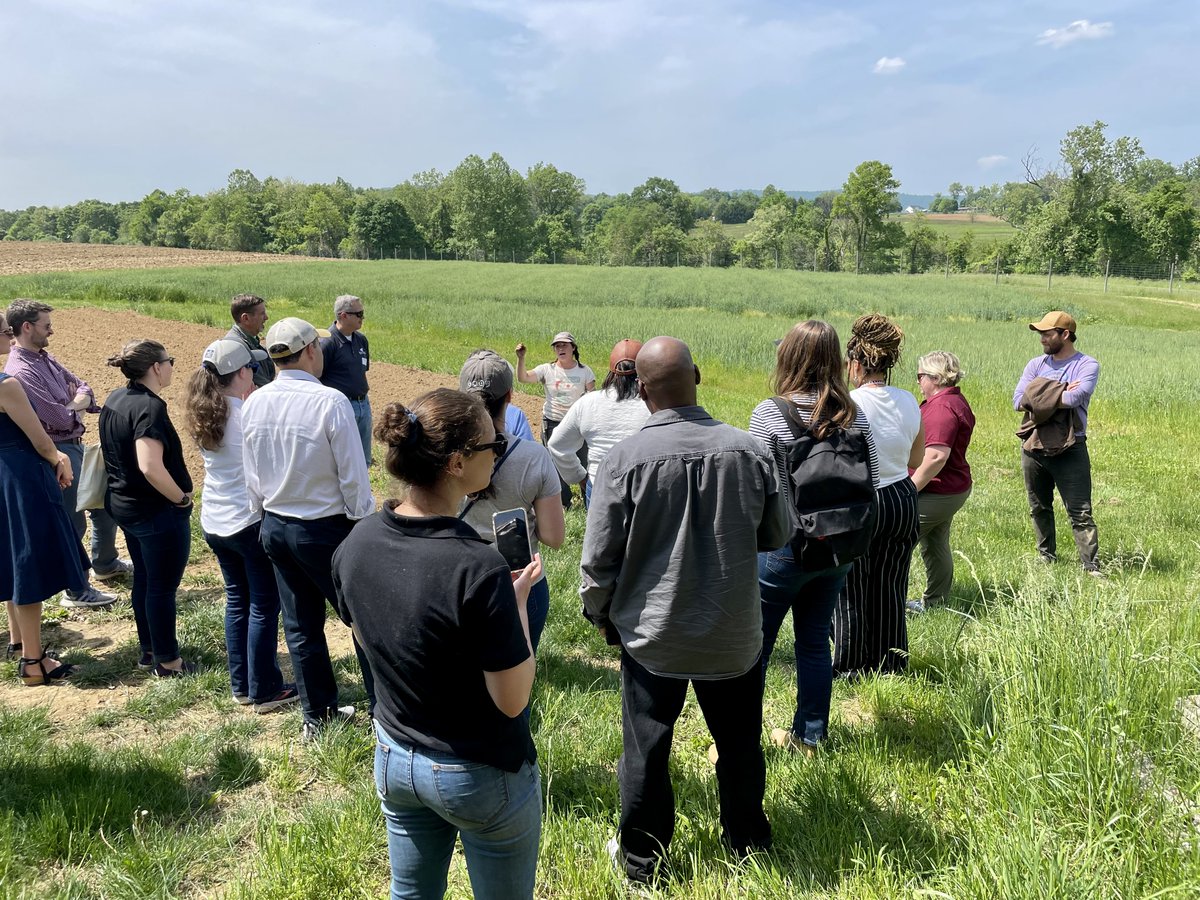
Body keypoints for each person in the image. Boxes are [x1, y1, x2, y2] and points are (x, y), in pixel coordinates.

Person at [581, 336, 790, 885]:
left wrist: (601, 614)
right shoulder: (750, 451)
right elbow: (777, 532)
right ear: (696, 376)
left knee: (646, 749)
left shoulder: (623, 459)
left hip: (652, 634)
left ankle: (642, 862)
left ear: (641, 391)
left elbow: (599, 558)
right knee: (740, 743)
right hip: (733, 629)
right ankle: (748, 844)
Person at [331, 389, 543, 900]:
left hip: (394, 753)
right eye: (492, 446)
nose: (500, 451)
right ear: (456, 462)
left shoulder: (354, 544)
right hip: (478, 771)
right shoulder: (478, 566)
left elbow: (372, 635)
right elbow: (512, 700)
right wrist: (515, 606)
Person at [241, 317, 375, 739]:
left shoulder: (255, 401)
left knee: (300, 628)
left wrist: (263, 514)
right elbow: (353, 476)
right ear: (312, 350)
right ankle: (384, 712)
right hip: (327, 529)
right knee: (364, 620)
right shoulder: (330, 402)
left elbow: (252, 473)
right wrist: (363, 524)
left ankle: (317, 717)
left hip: (277, 525)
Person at [749, 321, 879, 753]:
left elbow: (759, 490)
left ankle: (742, 742)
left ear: (788, 357)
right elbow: (872, 480)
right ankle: (810, 736)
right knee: (814, 641)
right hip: (840, 547)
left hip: (786, 548)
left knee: (756, 649)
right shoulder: (853, 413)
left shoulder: (770, 412)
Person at [183, 339, 298, 712]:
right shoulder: (246, 417)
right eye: (251, 368)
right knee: (264, 604)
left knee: (238, 600)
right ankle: (264, 689)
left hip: (215, 520)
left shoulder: (207, 414)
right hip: (247, 521)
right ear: (243, 373)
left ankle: (242, 685)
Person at [3, 299, 124, 608]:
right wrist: (74, 408)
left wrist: (74, 404)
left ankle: (106, 564)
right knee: (73, 518)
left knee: (103, 504)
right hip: (57, 450)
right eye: (46, 325)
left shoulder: (45, 358)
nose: (52, 331)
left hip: (74, 445)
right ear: (27, 327)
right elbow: (57, 418)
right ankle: (77, 589)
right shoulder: (20, 371)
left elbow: (83, 386)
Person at [1, 311, 88, 684]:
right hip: (21, 475)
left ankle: (19, 642)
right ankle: (34, 663)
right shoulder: (6, 385)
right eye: (3, 330)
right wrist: (58, 457)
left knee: (9, 557)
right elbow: (39, 437)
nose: (8, 334)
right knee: (29, 564)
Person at [99, 340, 195, 676]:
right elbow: (149, 466)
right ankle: (168, 662)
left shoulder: (116, 398)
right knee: (161, 587)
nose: (171, 366)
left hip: (125, 505)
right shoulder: (149, 409)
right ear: (156, 367)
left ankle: (149, 649)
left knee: (146, 579)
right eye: (170, 360)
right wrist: (180, 499)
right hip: (154, 512)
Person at [458, 349, 565, 652]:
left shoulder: (442, 454)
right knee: (516, 684)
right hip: (519, 581)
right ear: (509, 395)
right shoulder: (534, 458)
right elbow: (553, 538)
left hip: (458, 579)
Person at [835, 314, 923, 677]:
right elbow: (916, 459)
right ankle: (890, 664)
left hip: (863, 499)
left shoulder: (847, 403)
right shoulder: (909, 400)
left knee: (851, 588)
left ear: (855, 362)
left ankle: (851, 666)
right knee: (891, 584)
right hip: (903, 497)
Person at [1012, 311, 1102, 575]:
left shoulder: (1087, 364)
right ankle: (1046, 557)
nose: (1042, 339)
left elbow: (1075, 399)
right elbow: (1018, 401)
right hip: (1034, 444)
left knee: (1080, 510)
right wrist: (1061, 389)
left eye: (1047, 334)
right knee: (1038, 506)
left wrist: (1038, 392)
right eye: (1040, 334)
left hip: (1070, 447)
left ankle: (1090, 566)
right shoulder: (1035, 364)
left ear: (1065, 335)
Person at [908, 351, 975, 614]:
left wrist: (908, 490)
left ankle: (888, 604)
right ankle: (936, 604)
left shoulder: (941, 409)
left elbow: (936, 456)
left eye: (920, 376)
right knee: (935, 544)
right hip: (950, 487)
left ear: (935, 378)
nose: (918, 382)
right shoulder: (952, 400)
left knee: (897, 543)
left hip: (937, 489)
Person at [547, 339, 650, 507]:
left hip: (599, 488)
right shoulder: (653, 405)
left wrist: (579, 476)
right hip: (642, 490)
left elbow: (557, 445)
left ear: (611, 371)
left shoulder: (588, 402)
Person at [515, 332, 595, 509]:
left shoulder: (585, 372)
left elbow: (592, 398)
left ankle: (589, 499)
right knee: (555, 466)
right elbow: (523, 378)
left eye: (564, 345)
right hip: (553, 423)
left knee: (583, 461)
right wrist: (521, 358)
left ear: (573, 348)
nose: (560, 348)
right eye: (557, 346)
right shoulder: (547, 370)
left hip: (577, 425)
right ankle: (564, 503)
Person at [319, 294, 372, 468]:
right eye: (359, 314)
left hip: (363, 405)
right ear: (343, 315)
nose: (362, 318)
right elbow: (317, 377)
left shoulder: (361, 340)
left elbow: (361, 371)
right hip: (341, 407)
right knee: (343, 461)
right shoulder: (327, 343)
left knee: (363, 460)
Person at [225, 293, 276, 389]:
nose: (266, 317)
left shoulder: (251, 342)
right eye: (262, 314)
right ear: (246, 318)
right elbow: (262, 385)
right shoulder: (237, 348)